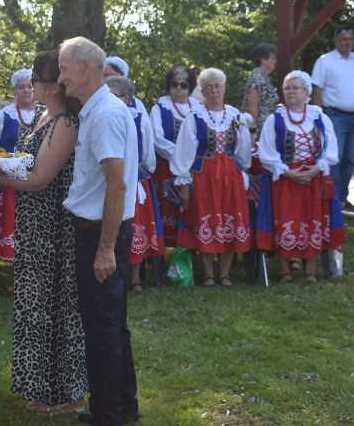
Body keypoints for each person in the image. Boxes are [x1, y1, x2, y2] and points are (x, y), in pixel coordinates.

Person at [57, 36, 139, 426]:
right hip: (104, 229)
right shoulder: (100, 110)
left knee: (102, 328)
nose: (60, 78)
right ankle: (121, 405)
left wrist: (105, 248)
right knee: (113, 325)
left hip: (100, 233)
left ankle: (107, 424)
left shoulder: (104, 114)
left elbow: (117, 186)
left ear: (86, 68)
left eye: (64, 69)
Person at [0, 51, 87, 415]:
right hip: (33, 225)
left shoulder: (64, 122)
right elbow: (25, 162)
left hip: (54, 228)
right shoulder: (40, 116)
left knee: (58, 307)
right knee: (36, 307)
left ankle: (69, 395)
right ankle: (42, 387)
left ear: (50, 86)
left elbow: (39, 177)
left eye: (34, 80)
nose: (30, 85)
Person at [257, 71, 346, 283]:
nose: (290, 92)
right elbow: (267, 153)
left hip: (313, 179)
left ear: (306, 92)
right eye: (287, 88)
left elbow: (331, 150)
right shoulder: (275, 119)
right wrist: (288, 172)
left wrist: (316, 169)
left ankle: (310, 271)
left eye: (295, 88)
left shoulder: (320, 117)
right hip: (286, 180)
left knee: (311, 220)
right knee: (285, 221)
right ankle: (285, 270)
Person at [171, 68, 253, 287]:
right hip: (203, 176)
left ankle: (224, 274)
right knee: (206, 220)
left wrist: (242, 170)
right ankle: (208, 274)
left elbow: (244, 149)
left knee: (230, 219)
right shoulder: (194, 117)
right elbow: (184, 151)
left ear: (224, 88)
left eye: (217, 86)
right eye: (209, 87)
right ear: (203, 91)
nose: (214, 90)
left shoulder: (236, 116)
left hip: (231, 175)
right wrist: (184, 183)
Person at [106, 75, 163, 292]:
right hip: (109, 177)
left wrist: (142, 171)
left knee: (135, 227)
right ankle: (112, 273)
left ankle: (135, 278)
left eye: (113, 95)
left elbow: (148, 151)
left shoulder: (139, 117)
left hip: (136, 178)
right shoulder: (102, 117)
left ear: (127, 98)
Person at [310, 26, 354, 211]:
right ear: (336, 41)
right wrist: (318, 116)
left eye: (350, 38)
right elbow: (317, 88)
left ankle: (343, 197)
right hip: (334, 116)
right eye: (344, 39)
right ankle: (332, 199)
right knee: (333, 158)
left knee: (348, 159)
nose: (348, 42)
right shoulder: (325, 61)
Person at [0, 68, 40, 263]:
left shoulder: (46, 114)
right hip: (7, 181)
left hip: (36, 179)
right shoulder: (4, 115)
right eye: (21, 87)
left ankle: (30, 262)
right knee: (5, 222)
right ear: (15, 91)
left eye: (30, 86)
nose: (26, 90)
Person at [150, 66, 196, 245]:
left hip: (194, 169)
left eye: (183, 85)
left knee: (191, 206)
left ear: (189, 87)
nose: (178, 87)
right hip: (167, 168)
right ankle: (162, 250)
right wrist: (180, 157)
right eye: (174, 84)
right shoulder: (160, 108)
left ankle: (190, 248)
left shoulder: (199, 108)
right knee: (167, 207)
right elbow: (156, 138)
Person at [240, 43, 278, 134]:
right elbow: (252, 104)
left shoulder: (264, 76)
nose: (275, 61)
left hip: (266, 128)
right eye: (273, 58)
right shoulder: (258, 76)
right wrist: (253, 129)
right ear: (263, 60)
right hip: (260, 131)